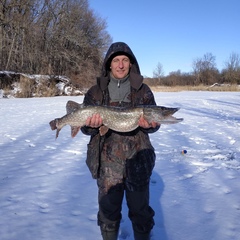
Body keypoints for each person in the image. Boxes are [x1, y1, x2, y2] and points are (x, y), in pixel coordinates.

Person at [81, 42, 160, 240]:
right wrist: (91, 124)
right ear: (109, 64)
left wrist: (152, 124)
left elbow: (156, 121)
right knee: (108, 213)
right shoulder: (95, 92)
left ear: (131, 64)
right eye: (116, 61)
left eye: (125, 60)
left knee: (141, 212)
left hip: (138, 161)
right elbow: (84, 127)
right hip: (107, 164)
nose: (121, 65)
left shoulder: (143, 90)